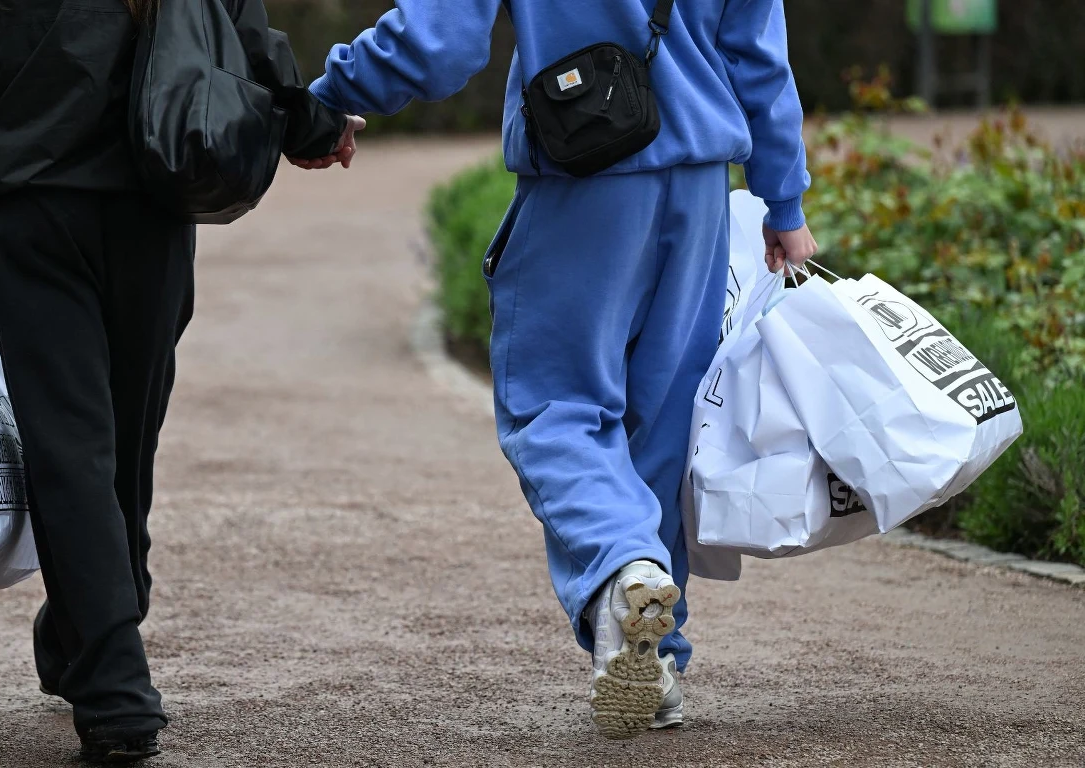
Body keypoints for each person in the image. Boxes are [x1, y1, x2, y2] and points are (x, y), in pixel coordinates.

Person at [308, 0, 817, 738]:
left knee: (554, 409)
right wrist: (784, 197)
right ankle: (652, 655)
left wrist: (328, 97)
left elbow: (439, 40)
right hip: (701, 189)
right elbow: (757, 55)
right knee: (661, 429)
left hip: (584, 172)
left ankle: (623, 566)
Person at [0, 0, 362, 762]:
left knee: (84, 450)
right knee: (107, 448)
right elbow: (242, 35)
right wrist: (313, 123)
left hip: (39, 199)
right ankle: (114, 690)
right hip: (151, 192)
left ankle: (85, 635)